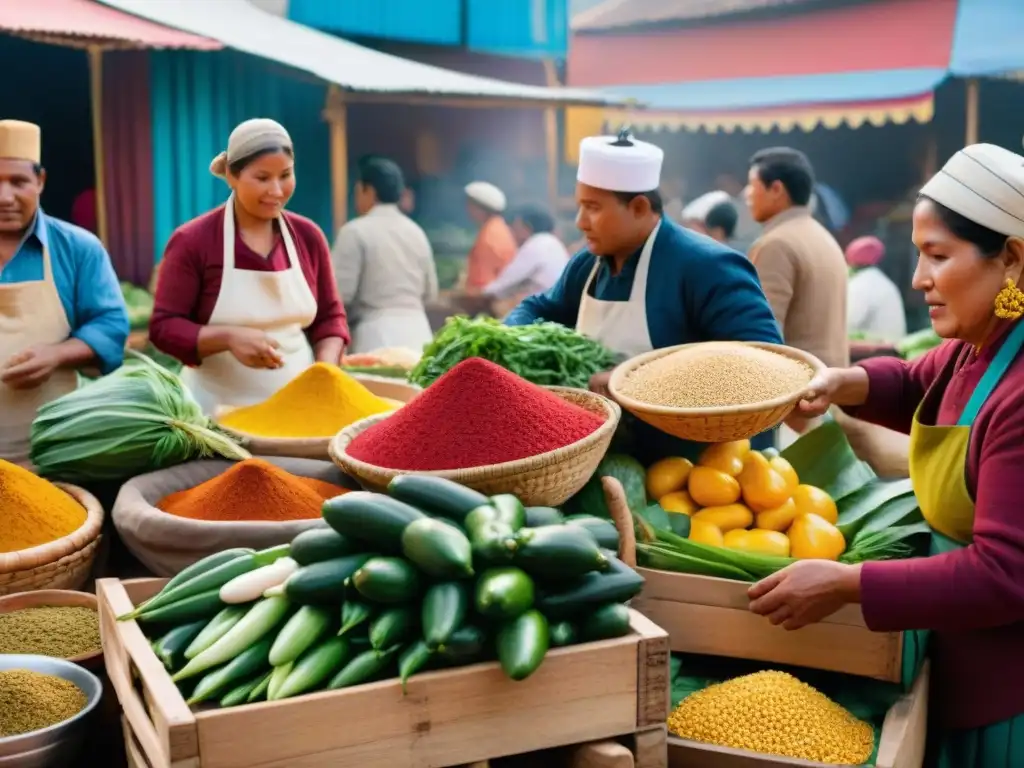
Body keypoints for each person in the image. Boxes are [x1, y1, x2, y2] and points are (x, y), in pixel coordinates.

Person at [747, 144, 1024, 766]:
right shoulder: (978, 345)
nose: (918, 279)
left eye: (938, 256)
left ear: (1010, 260)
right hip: (957, 659)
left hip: (1010, 692)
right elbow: (915, 381)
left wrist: (847, 584)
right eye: (919, 254)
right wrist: (839, 382)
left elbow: (1005, 575)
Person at [505, 130, 782, 464]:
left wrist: (636, 377)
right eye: (580, 207)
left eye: (592, 208)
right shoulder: (589, 263)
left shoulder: (706, 265)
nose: (580, 222)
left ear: (638, 207)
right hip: (614, 458)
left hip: (703, 470)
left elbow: (765, 363)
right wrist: (505, 339)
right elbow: (540, 307)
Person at [150, 118, 350, 414]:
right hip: (216, 415)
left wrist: (325, 370)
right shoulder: (193, 241)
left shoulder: (308, 237)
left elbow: (331, 319)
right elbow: (164, 328)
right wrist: (227, 338)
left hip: (301, 411)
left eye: (285, 175)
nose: (277, 190)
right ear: (231, 175)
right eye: (262, 177)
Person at [0, 120, 128, 465]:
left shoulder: (77, 248)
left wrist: (56, 355)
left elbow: (110, 324)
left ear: (40, 182)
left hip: (55, 446)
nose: (5, 197)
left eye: (18, 182)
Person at [746, 148, 849, 369]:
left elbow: (761, 338)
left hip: (800, 393)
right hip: (830, 387)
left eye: (751, 185)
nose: (747, 194)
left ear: (776, 189)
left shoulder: (776, 244)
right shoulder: (823, 237)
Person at [332, 156, 437, 354]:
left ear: (368, 191)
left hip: (375, 336)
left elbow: (339, 294)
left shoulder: (354, 231)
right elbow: (431, 293)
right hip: (419, 335)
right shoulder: (417, 232)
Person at [482, 203, 569, 310]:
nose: (512, 233)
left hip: (546, 311)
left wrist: (480, 294)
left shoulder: (537, 244)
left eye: (515, 227)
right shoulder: (553, 243)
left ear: (526, 227)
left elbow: (503, 285)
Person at [845, 235, 907, 341]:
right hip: (894, 347)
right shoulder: (880, 280)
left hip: (877, 351)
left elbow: (848, 323)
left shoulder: (860, 284)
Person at [463, 181, 516, 293]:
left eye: (469, 206)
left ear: (479, 209)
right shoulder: (500, 228)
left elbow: (482, 283)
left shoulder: (488, 237)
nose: (467, 210)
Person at [715, 170, 761, 252]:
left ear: (734, 182)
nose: (723, 188)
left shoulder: (753, 195)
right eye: (720, 186)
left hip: (756, 241)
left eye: (725, 184)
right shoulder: (728, 203)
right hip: (736, 244)